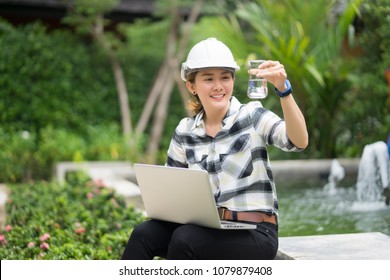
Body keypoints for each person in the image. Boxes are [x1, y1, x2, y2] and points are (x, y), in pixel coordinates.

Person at [121, 38, 308, 260]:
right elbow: (171, 195)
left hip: (256, 231)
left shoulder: (252, 116)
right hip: (209, 228)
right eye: (208, 79)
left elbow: (298, 141)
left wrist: (283, 89)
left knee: (185, 238)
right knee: (145, 233)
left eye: (225, 77)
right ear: (192, 86)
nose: (218, 86)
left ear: (232, 80)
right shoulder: (185, 131)